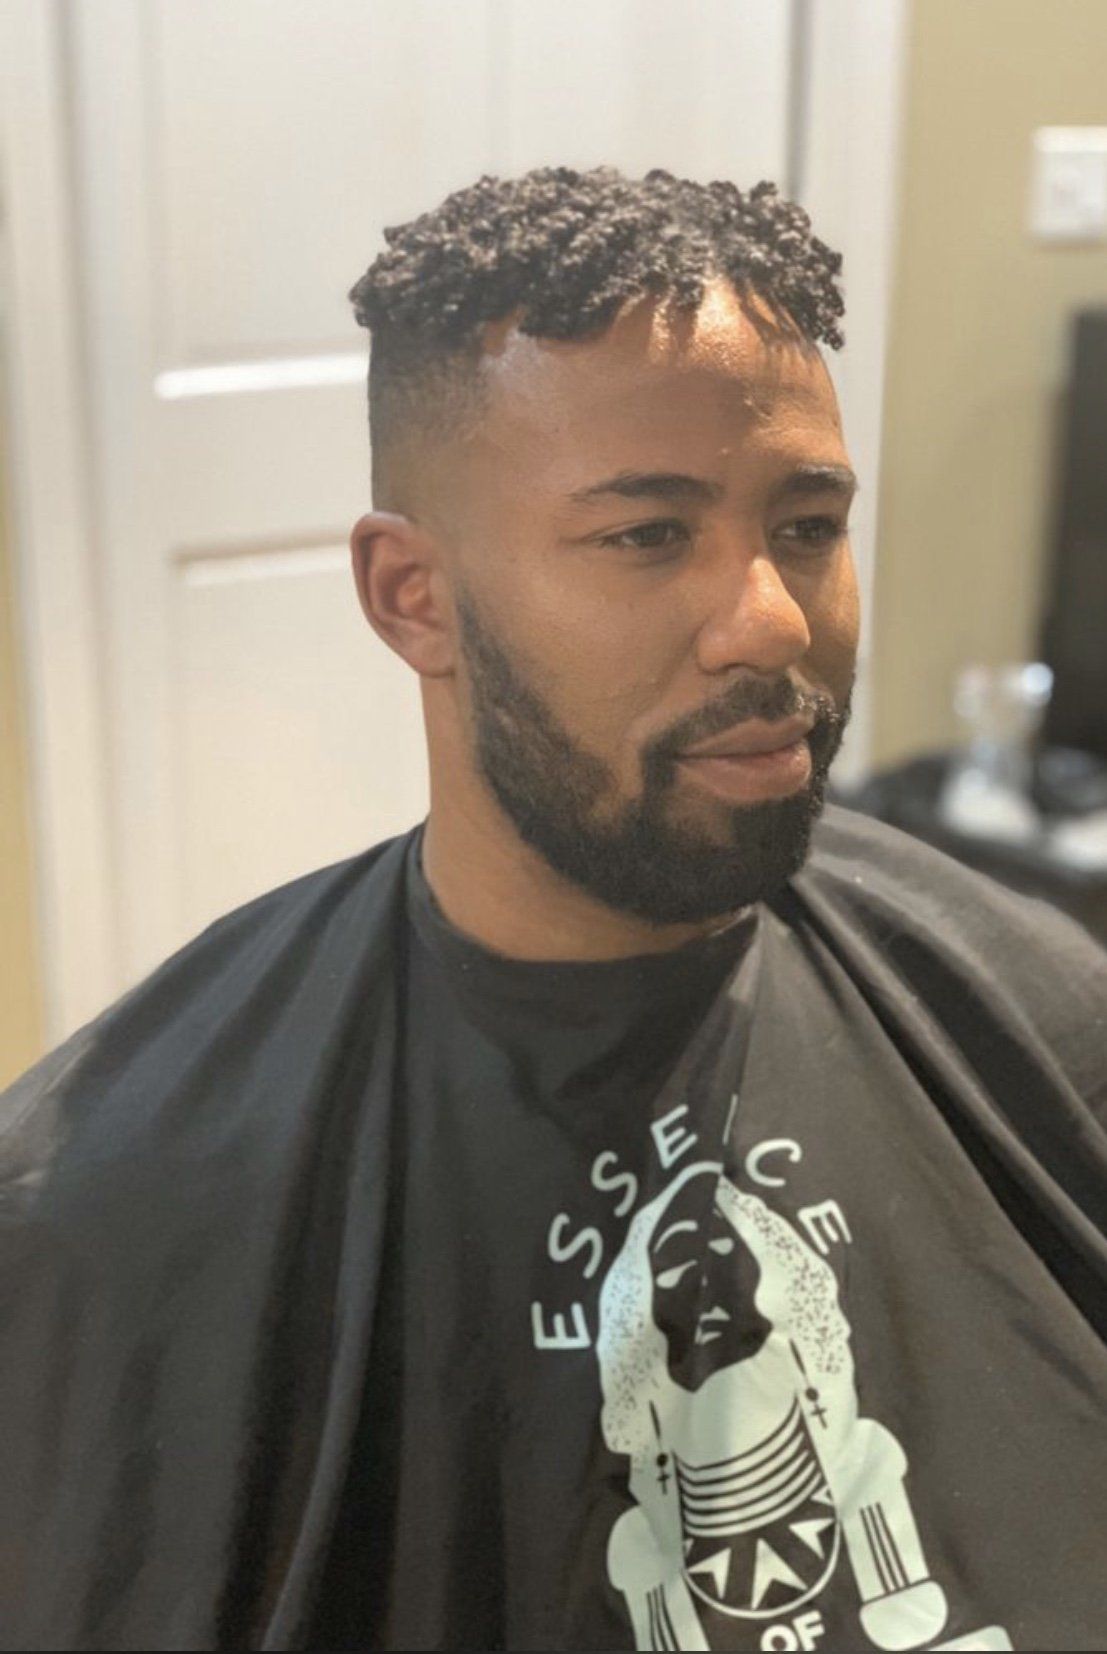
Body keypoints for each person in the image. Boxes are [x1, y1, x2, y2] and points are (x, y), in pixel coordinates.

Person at [1, 165, 1104, 1654]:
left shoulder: (1034, 1016)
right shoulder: (105, 1196)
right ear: (413, 596)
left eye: (809, 521)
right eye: (650, 535)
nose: (773, 618)